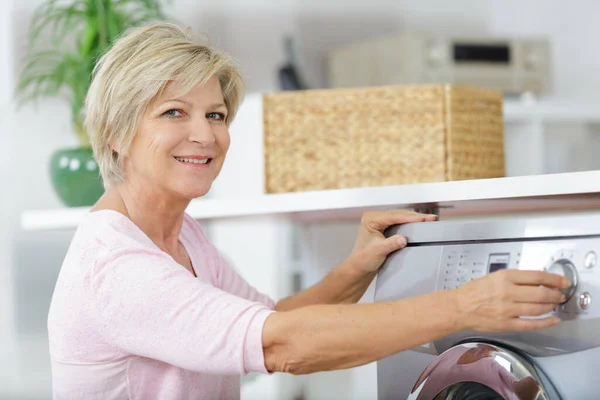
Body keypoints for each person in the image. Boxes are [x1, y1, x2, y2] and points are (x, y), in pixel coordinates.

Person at [47, 23, 570, 400]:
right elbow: (284, 346)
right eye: (173, 113)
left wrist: (356, 267)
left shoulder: (182, 235)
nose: (204, 134)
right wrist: (463, 308)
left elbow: (277, 319)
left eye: (215, 114)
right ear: (116, 134)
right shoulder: (116, 267)